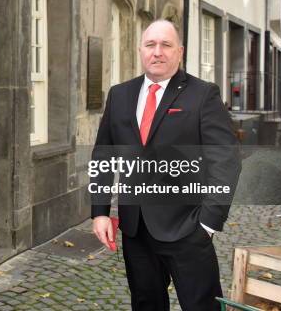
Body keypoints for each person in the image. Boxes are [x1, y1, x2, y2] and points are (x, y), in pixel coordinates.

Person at [91, 20, 241, 310]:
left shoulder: (202, 94)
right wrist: (99, 212)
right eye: (150, 45)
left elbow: (225, 159)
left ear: (179, 51)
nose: (157, 52)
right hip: (136, 230)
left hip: (188, 227)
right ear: (140, 50)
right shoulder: (120, 95)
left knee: (202, 306)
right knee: (146, 304)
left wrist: (208, 222)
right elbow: (104, 156)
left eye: (166, 45)